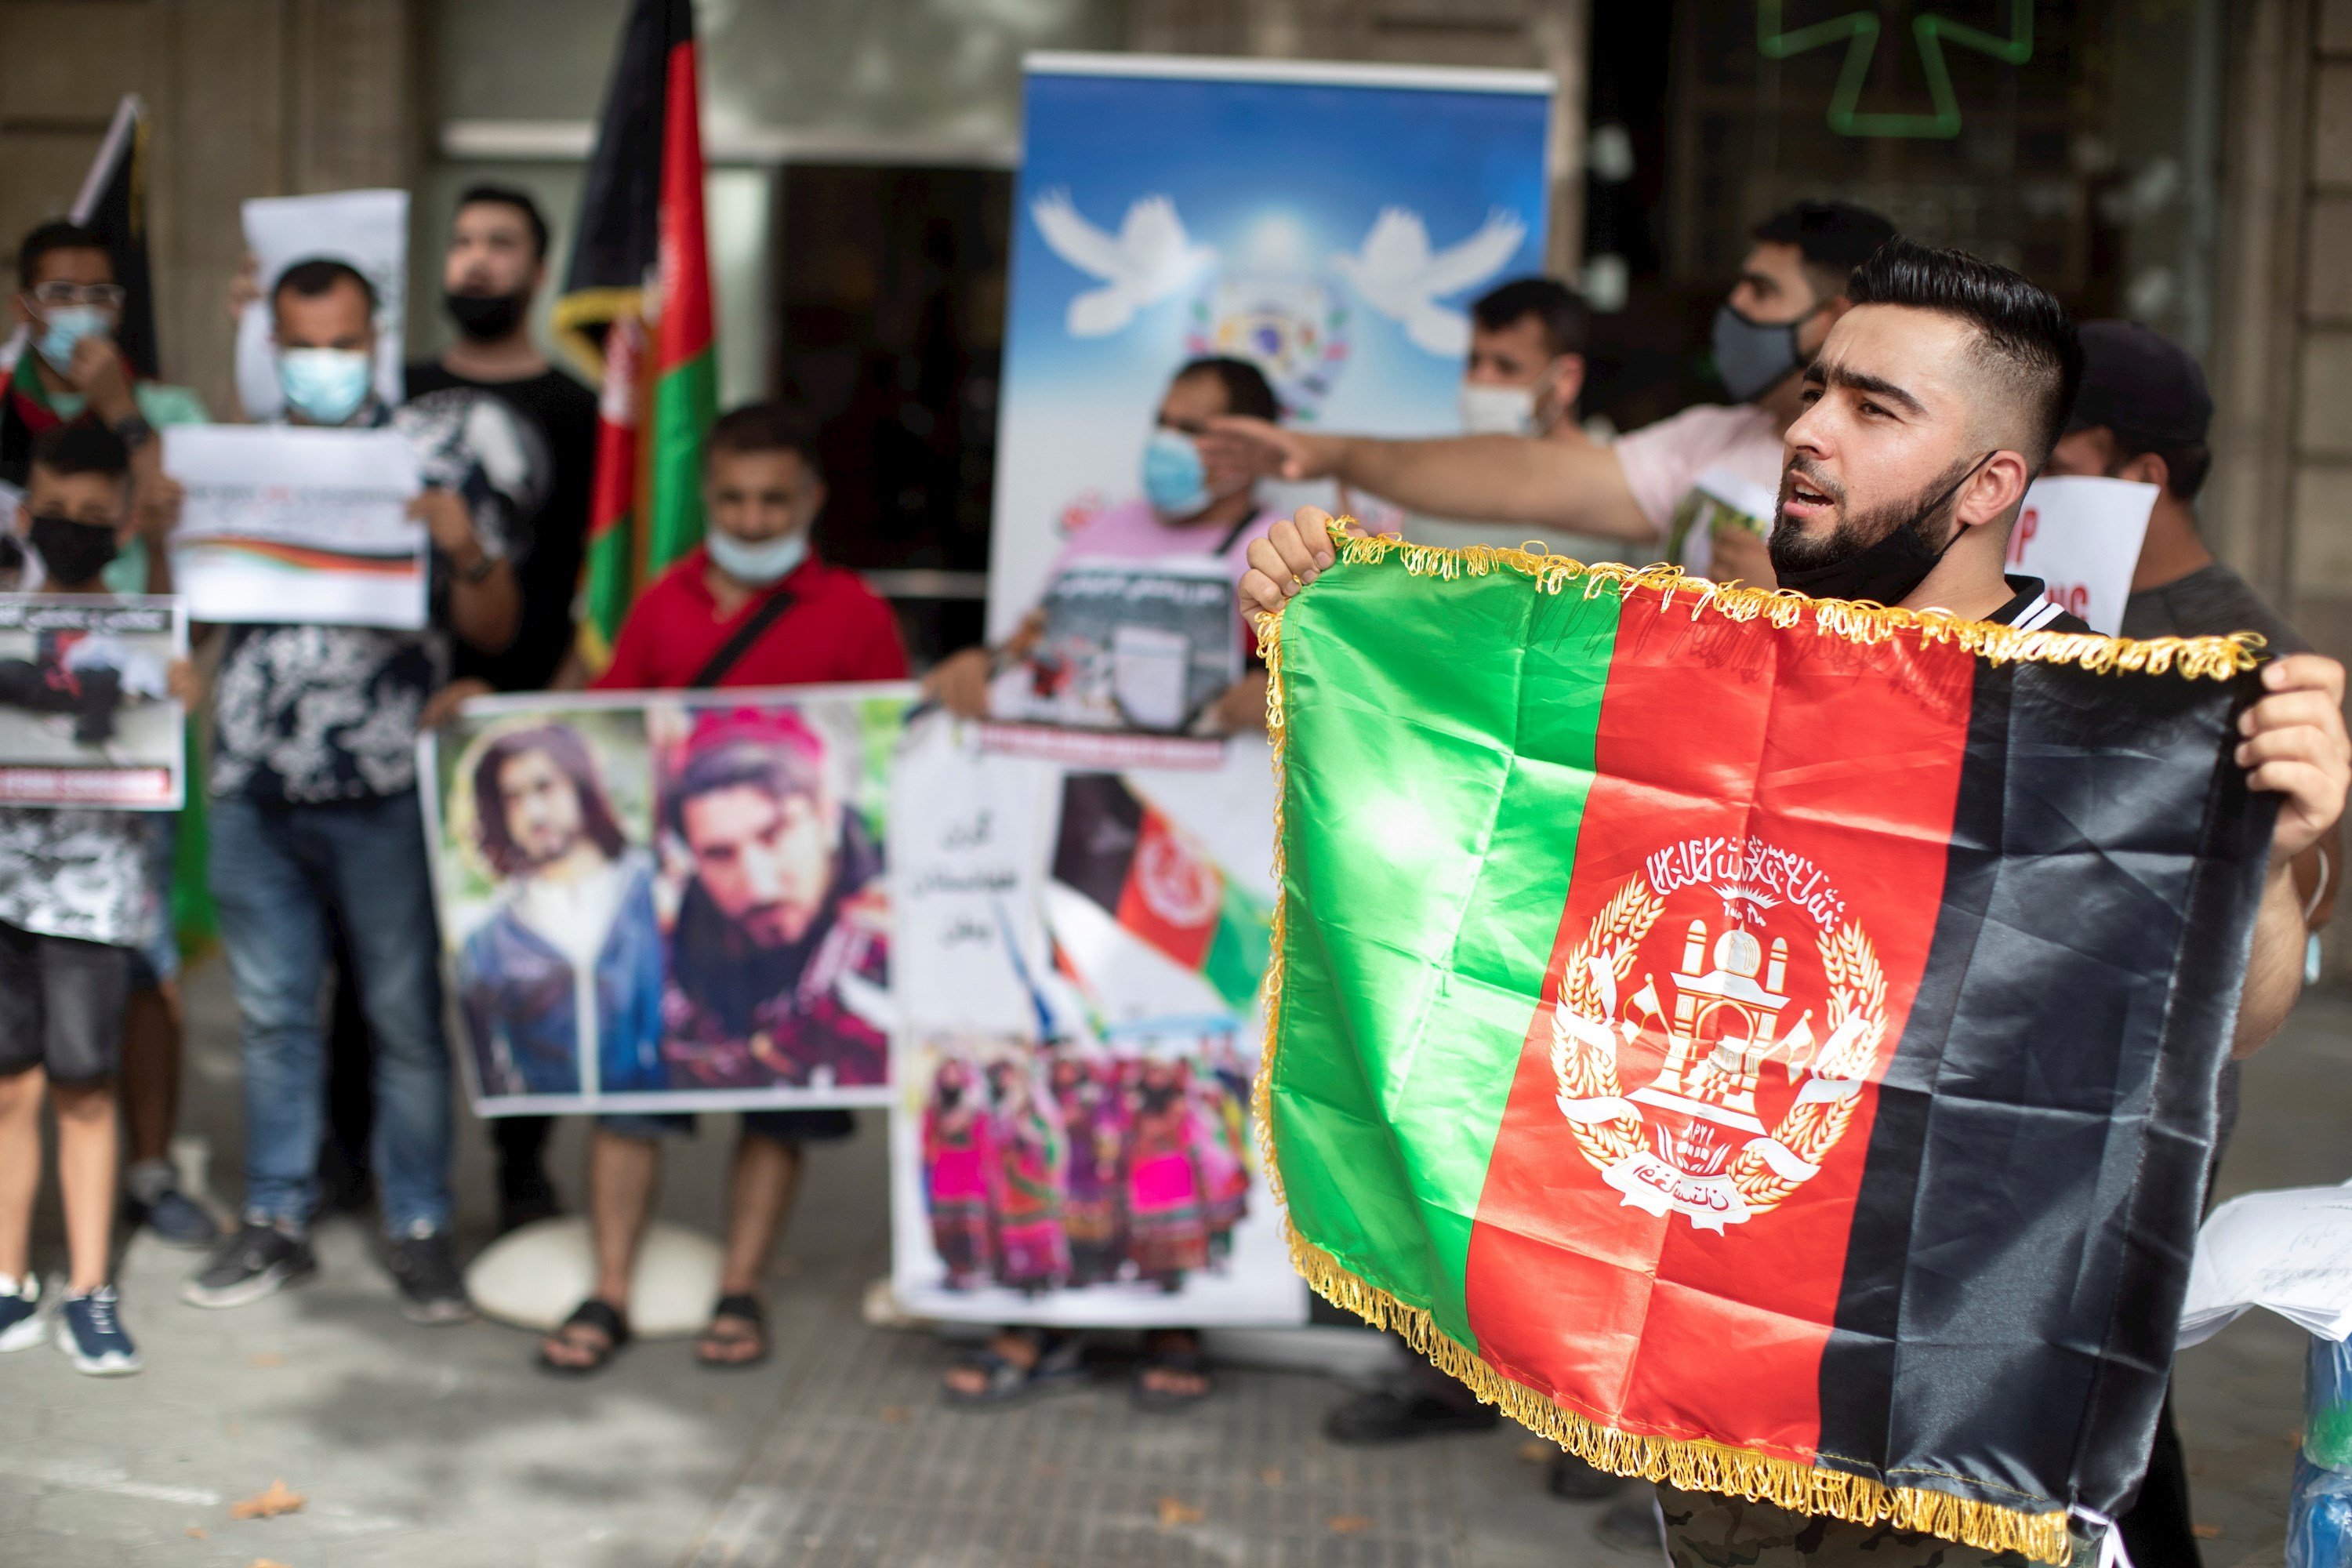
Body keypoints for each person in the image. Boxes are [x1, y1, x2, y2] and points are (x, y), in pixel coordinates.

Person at [1243, 239, 2352, 1566]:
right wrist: (1332, 628)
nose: (1808, 431)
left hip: (1986, 1443)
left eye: (1874, 409)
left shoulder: (2101, 715)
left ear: (1994, 482)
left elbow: (2237, 1018)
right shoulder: (1715, 669)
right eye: (1818, 389)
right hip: (1723, 1456)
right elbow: (1494, 843)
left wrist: (2282, 850)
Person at [2039, 317, 2339, 1568]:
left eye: (2051, 443)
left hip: (2140, 1100)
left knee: (2104, 1394)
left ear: (2138, 476)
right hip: (2045, 1077)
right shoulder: (2033, 603)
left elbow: (2289, 931)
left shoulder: (2235, 651)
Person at [180, 257, 524, 1323]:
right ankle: (276, 1216)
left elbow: (496, 628)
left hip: (382, 783)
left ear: (376, 339)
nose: (322, 363)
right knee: (275, 1016)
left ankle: (419, 1223)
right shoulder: (234, 458)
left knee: (402, 1017)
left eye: (342, 343)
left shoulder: (429, 454)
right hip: (252, 783)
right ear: (272, 345)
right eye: (302, 345)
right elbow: (191, 614)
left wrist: (463, 547)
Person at [536, 401, 906, 1377]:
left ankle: (741, 1285)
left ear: (811, 497)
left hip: (806, 927)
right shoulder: (662, 601)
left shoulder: (858, 614)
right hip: (682, 918)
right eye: (733, 499)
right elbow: (609, 749)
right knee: (628, 1094)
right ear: (707, 496)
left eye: (772, 499)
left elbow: (895, 759)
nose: (750, 519)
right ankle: (608, 1287)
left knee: (780, 1100)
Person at [1201, 201, 1898, 588]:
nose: (1733, 308)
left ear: (1832, 318)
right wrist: (1332, 451)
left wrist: (1791, 605)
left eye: (1761, 291)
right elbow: (1520, 475)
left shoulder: (1907, 463)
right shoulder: (1710, 437)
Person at [7, 218, 217, 1251]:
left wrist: (124, 415)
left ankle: (145, 1167)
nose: (80, 310)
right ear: (26, 304)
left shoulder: (169, 412)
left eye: (100, 292)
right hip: (19, 760)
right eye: (60, 291)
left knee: (144, 967)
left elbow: (190, 546)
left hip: (132, 748)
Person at [402, 185, 601, 1235]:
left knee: (521, 963)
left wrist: (541, 703)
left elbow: (588, 583)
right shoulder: (396, 391)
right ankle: (359, 1162)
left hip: (515, 728)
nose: (476, 261)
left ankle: (523, 1167)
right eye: (463, 240)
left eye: (501, 245)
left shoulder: (579, 411)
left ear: (537, 268)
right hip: (392, 723)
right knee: (381, 968)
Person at [0, 423, 194, 1374]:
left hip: (95, 893)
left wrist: (177, 692)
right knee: (6, 1086)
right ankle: (7, 1281)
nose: (73, 529)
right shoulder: (3, 611)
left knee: (84, 1083)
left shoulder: (150, 626)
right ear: (24, 510)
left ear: (120, 521)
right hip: (3, 885)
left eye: (92, 515)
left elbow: (168, 717)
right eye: (55, 512)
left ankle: (90, 1286)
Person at [926, 356, 1287, 732]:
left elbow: (1332, 685)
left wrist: (1284, 696)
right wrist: (981, 663)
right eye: (1162, 423)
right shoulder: (1103, 530)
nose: (1166, 441)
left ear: (1253, 447)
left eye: (1191, 430)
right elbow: (1033, 638)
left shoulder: (1284, 546)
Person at [659, 713, 890, 1091]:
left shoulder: (905, 936)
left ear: (827, 817)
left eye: (775, 835)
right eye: (719, 854)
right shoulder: (667, 962)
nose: (758, 886)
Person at [455, 724, 663, 1100]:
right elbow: (492, 1067)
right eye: (513, 798)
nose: (533, 813)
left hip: (646, 1107)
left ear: (581, 786)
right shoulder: (487, 941)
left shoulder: (658, 894)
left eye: (544, 787)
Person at [1408, 276, 1611, 557]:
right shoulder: (1436, 482)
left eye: (1506, 367)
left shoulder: (1622, 485)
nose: (1481, 380)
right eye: (1474, 361)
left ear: (1565, 379)